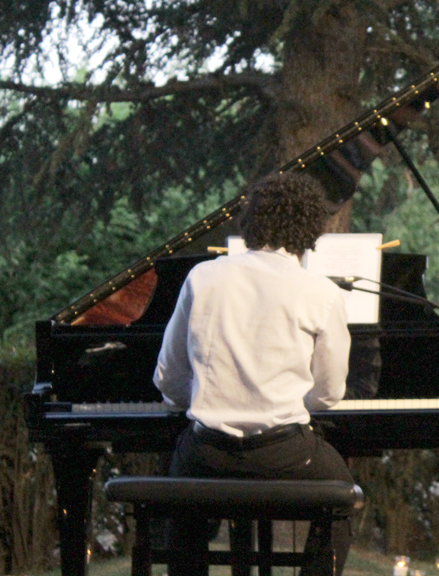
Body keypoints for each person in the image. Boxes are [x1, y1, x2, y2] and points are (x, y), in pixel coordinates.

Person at [153, 172, 354, 576]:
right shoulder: (322, 292)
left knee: (182, 488)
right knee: (344, 499)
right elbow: (329, 394)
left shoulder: (203, 277)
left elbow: (168, 379)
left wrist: (198, 399)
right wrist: (295, 404)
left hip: (207, 452)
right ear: (311, 228)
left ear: (250, 221)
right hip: (285, 455)